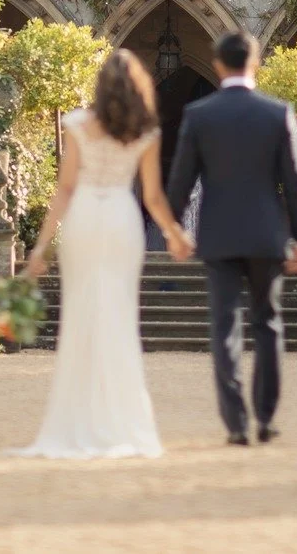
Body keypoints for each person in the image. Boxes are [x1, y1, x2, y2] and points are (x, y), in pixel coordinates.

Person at [12, 49, 192, 459]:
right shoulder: (146, 132)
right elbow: (152, 196)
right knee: (118, 311)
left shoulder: (76, 124)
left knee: (82, 310)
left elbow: (65, 189)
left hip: (85, 219)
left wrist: (41, 247)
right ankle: (120, 416)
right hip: (121, 220)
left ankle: (78, 415)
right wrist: (174, 233)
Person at [166, 30, 297, 447]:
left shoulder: (199, 114)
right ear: (255, 63)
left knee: (225, 327)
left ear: (217, 65)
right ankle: (265, 418)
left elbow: (180, 181)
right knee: (268, 324)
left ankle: (235, 423)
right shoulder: (277, 112)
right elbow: (295, 182)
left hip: (220, 235)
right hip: (268, 234)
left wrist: (175, 229)